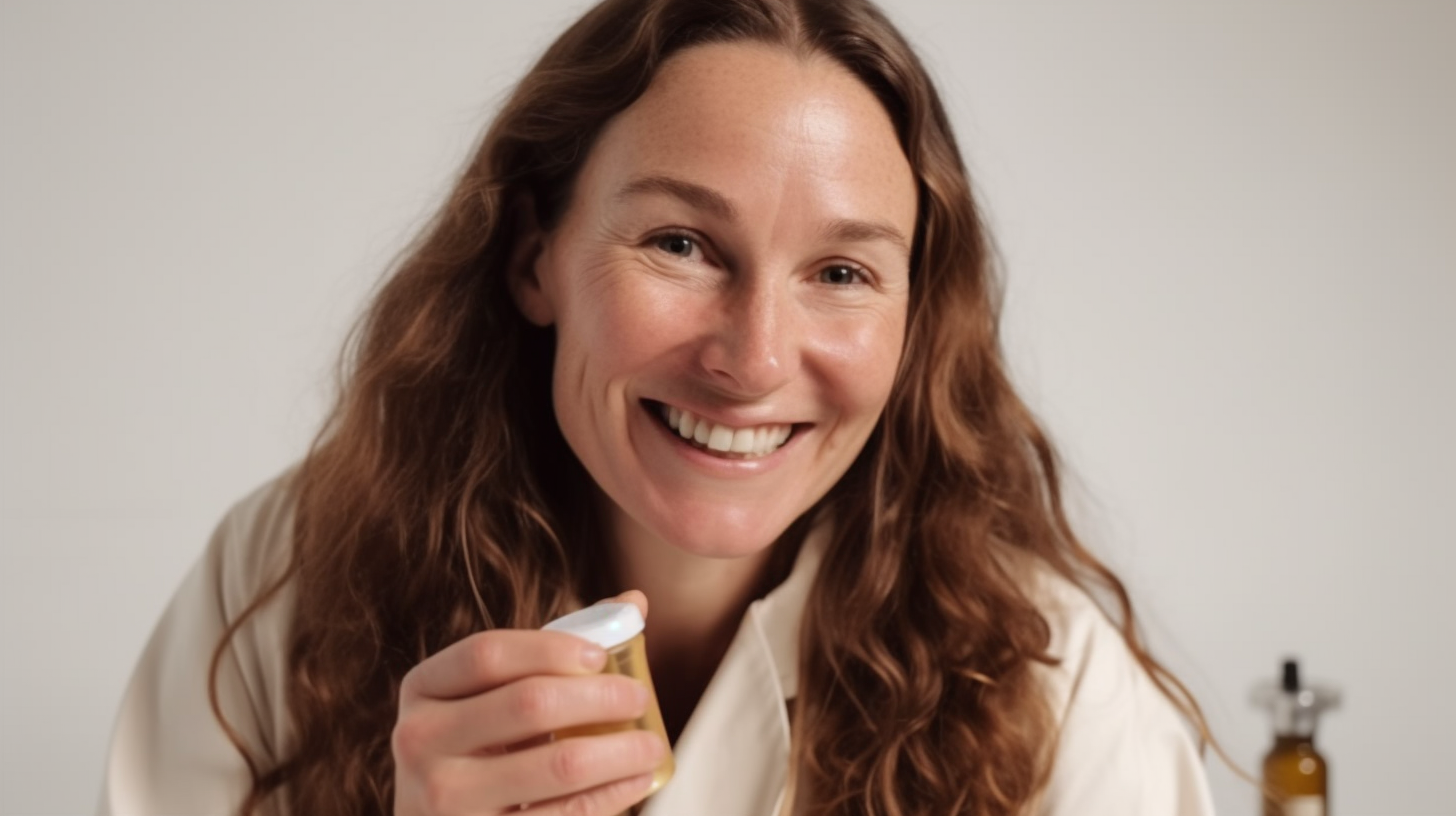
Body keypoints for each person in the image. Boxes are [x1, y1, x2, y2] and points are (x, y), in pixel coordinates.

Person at [99, 0, 1220, 814]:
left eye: (841, 273)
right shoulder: (287, 578)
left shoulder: (1048, 687)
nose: (753, 357)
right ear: (534, 255)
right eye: (680, 245)